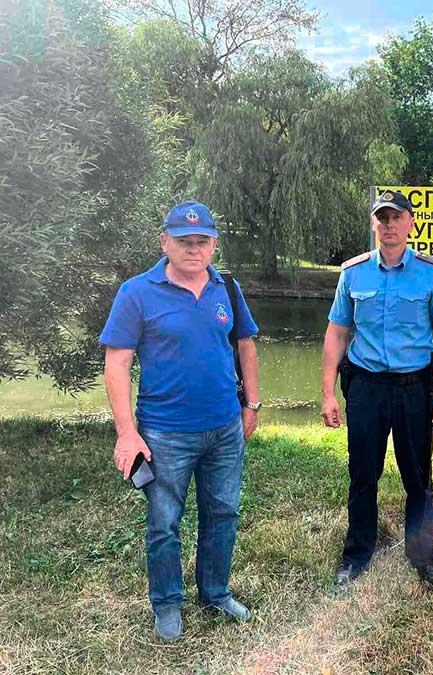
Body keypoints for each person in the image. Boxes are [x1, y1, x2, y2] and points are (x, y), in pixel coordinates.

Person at [100, 200, 261, 642]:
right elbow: (117, 364)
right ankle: (168, 604)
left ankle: (215, 593)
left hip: (225, 428)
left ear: (213, 245)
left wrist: (252, 404)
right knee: (164, 523)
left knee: (223, 512)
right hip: (165, 433)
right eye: (184, 241)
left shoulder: (227, 288)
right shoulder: (136, 292)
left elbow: (245, 345)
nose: (194, 249)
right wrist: (126, 432)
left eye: (202, 241)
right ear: (164, 242)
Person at [321, 189, 433, 588]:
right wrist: (329, 392)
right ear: (373, 224)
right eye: (382, 218)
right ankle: (356, 555)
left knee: (418, 475)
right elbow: (336, 333)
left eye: (397, 217)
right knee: (363, 473)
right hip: (365, 387)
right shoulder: (353, 273)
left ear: (410, 222)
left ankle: (423, 556)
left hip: (415, 389)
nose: (389, 225)